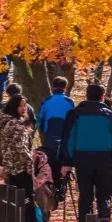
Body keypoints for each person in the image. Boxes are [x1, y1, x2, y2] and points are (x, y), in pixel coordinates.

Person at [62, 82, 112, 222]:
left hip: (83, 159)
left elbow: (69, 139)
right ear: (102, 97)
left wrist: (67, 161)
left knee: (85, 196)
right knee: (104, 196)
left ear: (86, 95)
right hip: (105, 159)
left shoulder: (75, 114)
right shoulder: (109, 115)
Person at [0, 84, 47, 222]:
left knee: (17, 194)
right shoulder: (17, 125)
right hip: (19, 165)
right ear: (14, 107)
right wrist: (29, 163)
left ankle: (21, 221)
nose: (24, 109)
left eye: (25, 106)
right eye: (21, 106)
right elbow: (21, 147)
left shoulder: (7, 123)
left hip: (11, 163)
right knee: (27, 194)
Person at [37, 77, 77, 207]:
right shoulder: (70, 102)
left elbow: (40, 122)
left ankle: (50, 193)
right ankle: (61, 189)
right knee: (63, 166)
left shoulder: (46, 101)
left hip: (49, 139)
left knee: (50, 166)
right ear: (65, 87)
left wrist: (44, 133)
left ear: (52, 87)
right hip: (65, 141)